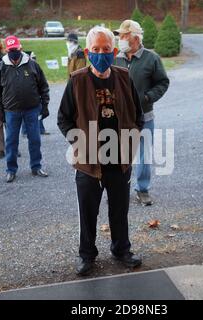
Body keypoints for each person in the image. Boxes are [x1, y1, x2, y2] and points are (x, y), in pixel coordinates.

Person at [57, 26, 144, 276]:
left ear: (114, 51)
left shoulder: (124, 77)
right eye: (95, 49)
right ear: (87, 51)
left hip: (119, 160)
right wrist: (79, 144)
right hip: (88, 162)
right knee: (88, 212)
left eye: (106, 49)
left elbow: (138, 115)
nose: (101, 53)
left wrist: (132, 142)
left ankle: (121, 249)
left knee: (119, 210)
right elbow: (64, 119)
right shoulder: (77, 80)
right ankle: (87, 255)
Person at [114, 20, 169, 206]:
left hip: (144, 117)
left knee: (144, 155)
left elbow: (163, 82)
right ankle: (119, 189)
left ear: (135, 38)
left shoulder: (151, 58)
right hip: (120, 118)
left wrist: (147, 97)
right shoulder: (116, 58)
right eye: (119, 35)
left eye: (123, 35)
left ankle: (142, 189)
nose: (120, 39)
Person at [0, 36, 50, 183]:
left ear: (21, 48)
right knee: (11, 141)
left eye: (16, 49)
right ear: (6, 50)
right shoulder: (0, 67)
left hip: (32, 110)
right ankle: (11, 170)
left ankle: (36, 166)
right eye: (11, 50)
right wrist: (0, 112)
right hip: (11, 111)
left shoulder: (32, 65)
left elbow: (43, 86)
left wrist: (45, 106)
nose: (14, 52)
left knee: (35, 139)